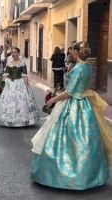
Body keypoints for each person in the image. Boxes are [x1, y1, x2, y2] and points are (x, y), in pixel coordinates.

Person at [31, 42, 112, 190]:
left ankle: (65, 176)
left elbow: (69, 93)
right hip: (84, 104)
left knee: (64, 138)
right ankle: (91, 175)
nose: (70, 52)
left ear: (75, 52)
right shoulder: (87, 66)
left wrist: (52, 100)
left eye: (72, 50)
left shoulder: (78, 69)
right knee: (88, 140)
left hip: (73, 105)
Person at [0, 47, 39, 127]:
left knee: (21, 102)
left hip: (19, 84)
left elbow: (25, 76)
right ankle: (8, 119)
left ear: (18, 53)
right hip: (9, 84)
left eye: (15, 52)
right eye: (12, 52)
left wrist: (26, 86)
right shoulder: (9, 63)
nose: (13, 54)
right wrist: (1, 85)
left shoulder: (22, 63)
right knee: (8, 101)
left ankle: (22, 120)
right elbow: (5, 75)